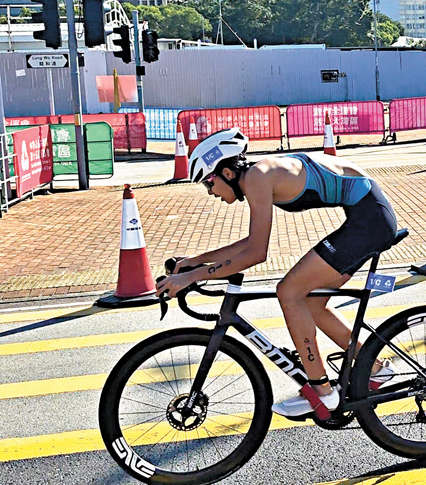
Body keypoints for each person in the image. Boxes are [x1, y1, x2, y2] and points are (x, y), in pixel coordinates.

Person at [155, 128, 399, 418]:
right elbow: (249, 243)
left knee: (289, 291)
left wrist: (192, 276)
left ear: (227, 173)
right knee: (310, 300)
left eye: (209, 183)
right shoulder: (259, 174)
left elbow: (256, 253)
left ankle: (322, 392)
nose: (210, 192)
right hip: (369, 216)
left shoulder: (257, 177)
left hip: (369, 220)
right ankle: (374, 369)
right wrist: (195, 262)